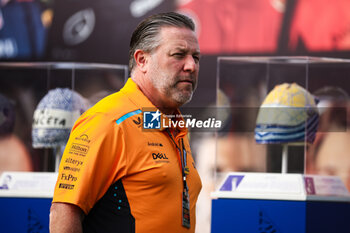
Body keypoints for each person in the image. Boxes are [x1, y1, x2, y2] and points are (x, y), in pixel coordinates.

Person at [49, 12, 202, 233]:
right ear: (142, 60)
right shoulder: (108, 121)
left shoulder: (175, 127)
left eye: (196, 57)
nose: (191, 66)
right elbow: (63, 213)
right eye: (179, 55)